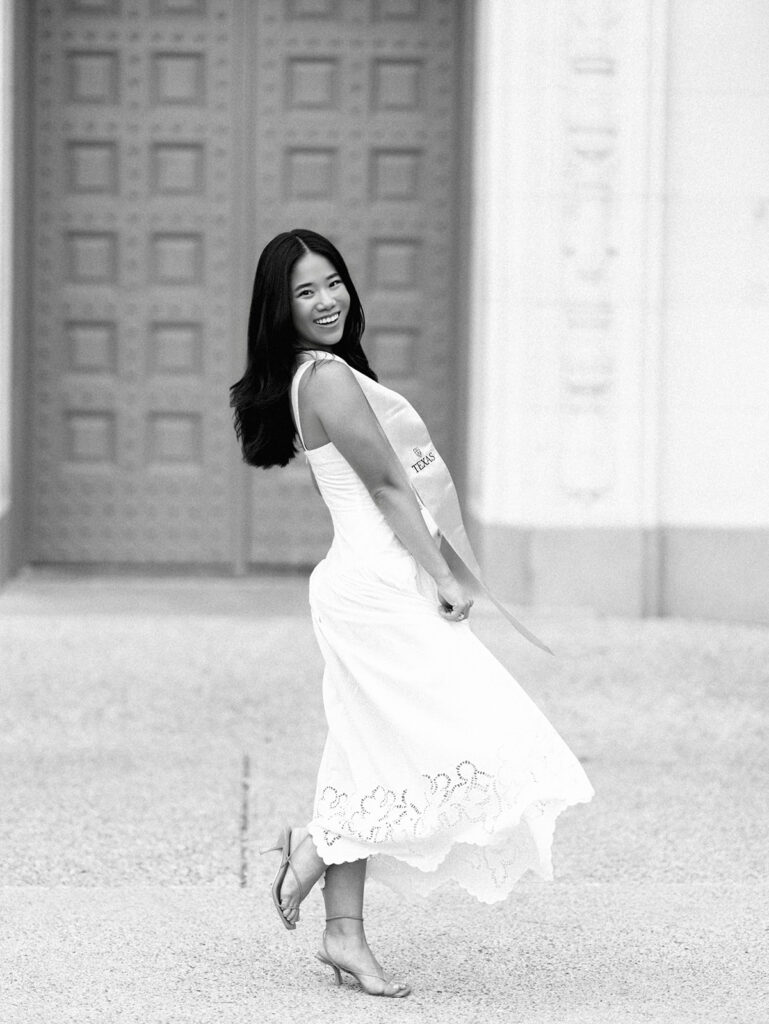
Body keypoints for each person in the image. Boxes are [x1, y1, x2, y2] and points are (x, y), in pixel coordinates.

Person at [230, 228, 594, 998]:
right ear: (279, 307)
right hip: (377, 590)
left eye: (332, 281)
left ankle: (341, 927)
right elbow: (389, 487)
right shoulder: (326, 379)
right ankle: (318, 847)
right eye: (304, 291)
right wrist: (443, 575)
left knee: (365, 754)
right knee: (475, 732)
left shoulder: (311, 375)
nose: (326, 300)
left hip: (365, 582)